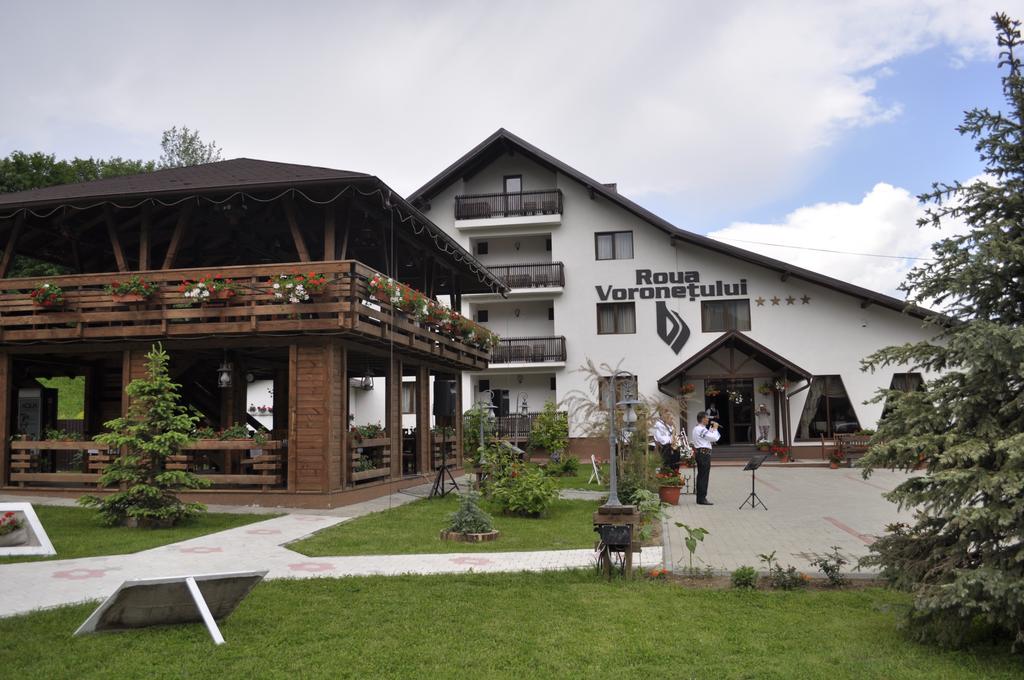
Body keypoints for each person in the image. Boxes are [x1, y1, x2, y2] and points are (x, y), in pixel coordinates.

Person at [691, 411, 720, 505]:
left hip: (702, 453)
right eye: (707, 418)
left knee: (701, 475)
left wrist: (711, 430)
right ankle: (702, 498)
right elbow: (714, 438)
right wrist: (715, 428)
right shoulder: (700, 429)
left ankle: (700, 497)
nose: (708, 420)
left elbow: (707, 437)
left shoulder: (699, 428)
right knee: (703, 476)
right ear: (703, 419)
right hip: (703, 454)